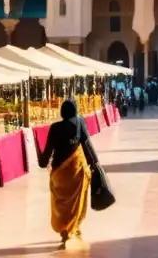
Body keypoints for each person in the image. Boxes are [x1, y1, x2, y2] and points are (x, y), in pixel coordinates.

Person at [38, 99, 99, 249]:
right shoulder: (80, 123)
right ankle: (73, 229)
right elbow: (87, 145)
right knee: (76, 203)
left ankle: (65, 230)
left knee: (62, 204)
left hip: (59, 173)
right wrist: (95, 163)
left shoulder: (54, 128)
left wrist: (42, 160)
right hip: (76, 172)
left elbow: (46, 154)